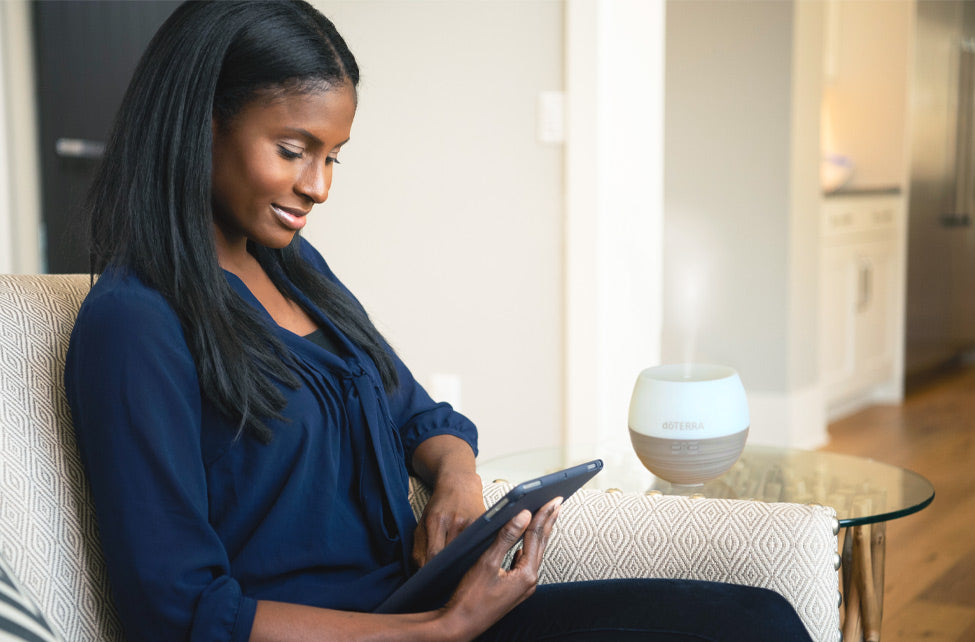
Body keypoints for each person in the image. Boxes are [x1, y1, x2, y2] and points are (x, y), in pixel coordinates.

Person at [64, 2, 813, 640]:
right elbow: (178, 611)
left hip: (417, 613)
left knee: (757, 619)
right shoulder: (133, 325)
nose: (318, 187)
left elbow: (420, 416)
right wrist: (441, 629)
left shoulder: (296, 269)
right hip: (392, 632)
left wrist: (458, 482)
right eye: (293, 150)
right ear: (201, 125)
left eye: (334, 158)